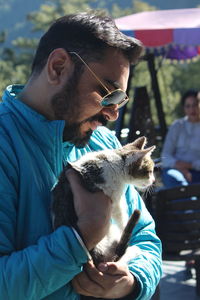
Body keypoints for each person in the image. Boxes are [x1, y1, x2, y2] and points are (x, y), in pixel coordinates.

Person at [0, 11, 162, 300]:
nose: (113, 113)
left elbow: (146, 240)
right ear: (58, 67)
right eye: (108, 94)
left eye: (120, 100)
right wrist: (82, 235)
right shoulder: (5, 145)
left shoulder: (104, 142)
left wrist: (131, 282)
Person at [161, 89, 200, 188]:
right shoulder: (177, 126)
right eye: (188, 106)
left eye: (195, 105)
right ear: (184, 108)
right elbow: (166, 155)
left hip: (197, 170)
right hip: (176, 169)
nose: (192, 109)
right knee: (174, 179)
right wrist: (179, 166)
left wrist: (190, 165)